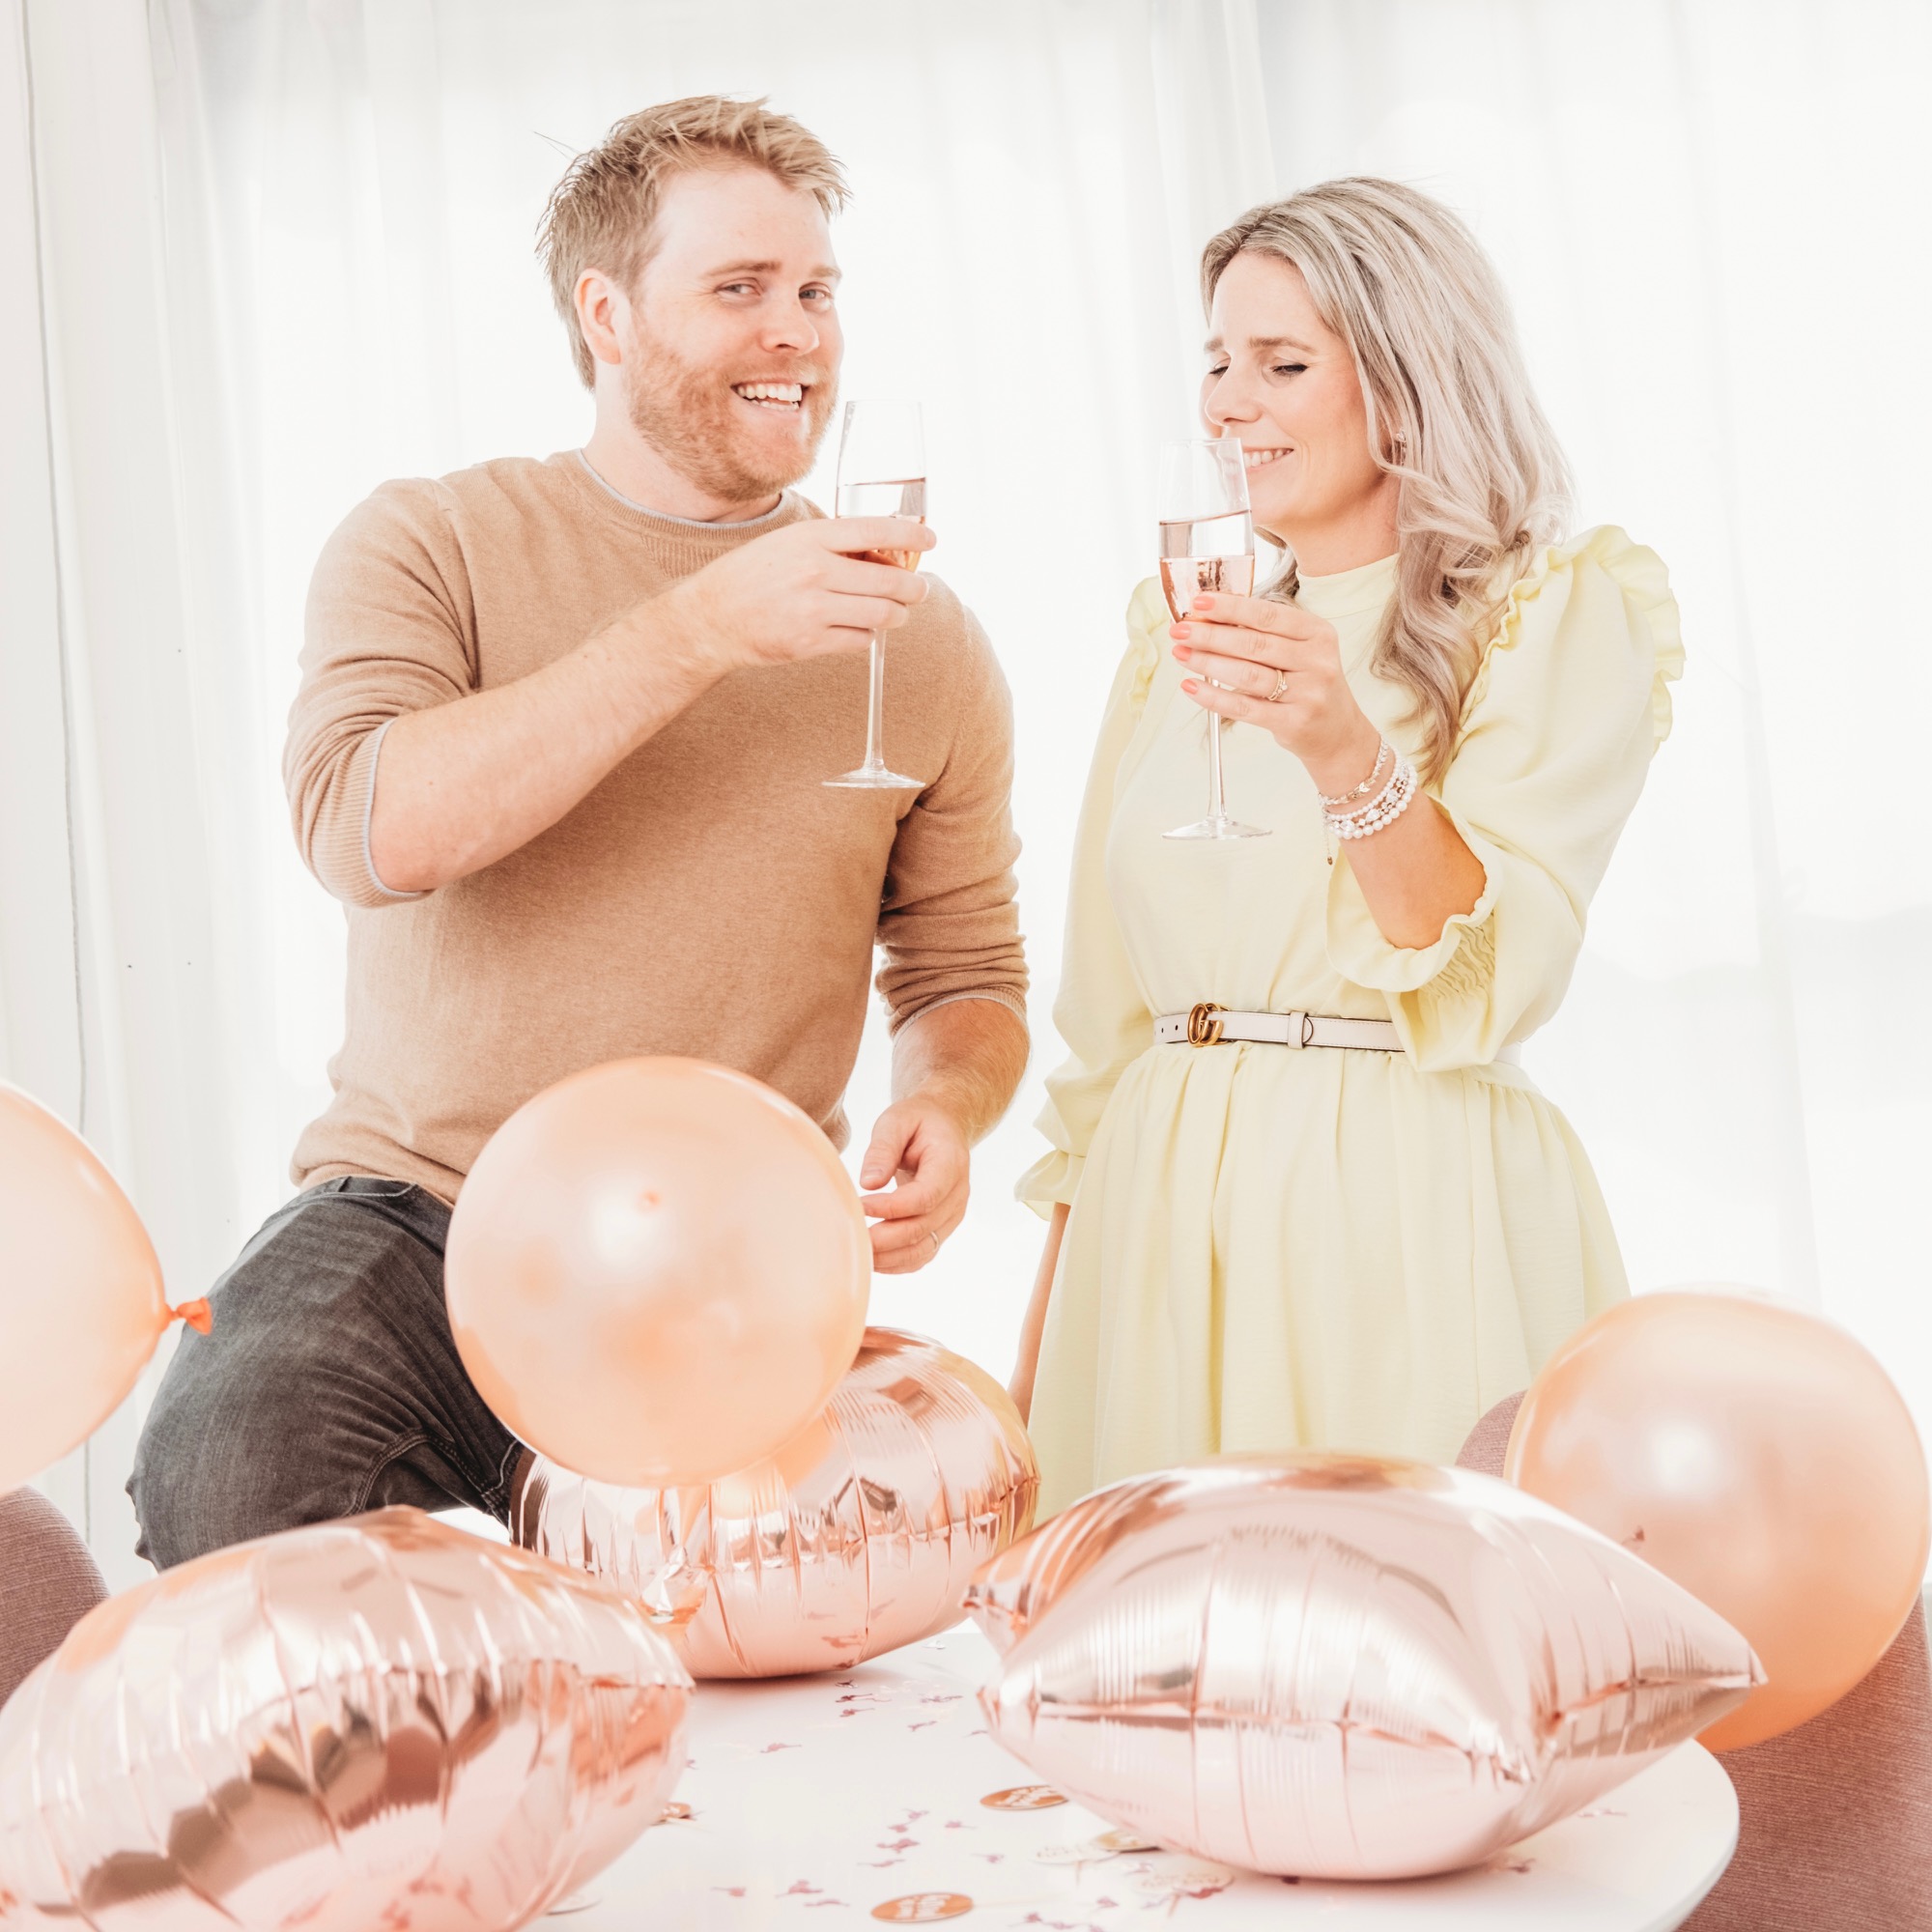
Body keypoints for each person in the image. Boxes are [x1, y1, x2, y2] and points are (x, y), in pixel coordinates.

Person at [129, 97, 1030, 1569]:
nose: (795, 332)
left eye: (815, 291)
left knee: (841, 1574)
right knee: (231, 1479)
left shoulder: (922, 643)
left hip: (727, 1255)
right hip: (421, 1213)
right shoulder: (430, 541)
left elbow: (962, 968)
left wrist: (950, 1102)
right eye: (739, 290)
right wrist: (697, 631)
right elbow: (368, 833)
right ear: (604, 314)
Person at [1010, 178, 1681, 1517]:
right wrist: (1033, 1388)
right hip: (1156, 1226)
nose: (1223, 405)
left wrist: (1343, 750)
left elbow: (1484, 975)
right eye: (1214, 363)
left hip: (1396, 1205)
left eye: (1280, 363)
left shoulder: (1551, 607)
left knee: (1400, 1643)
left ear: (1407, 378)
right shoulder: (1174, 639)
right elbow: (1105, 1036)